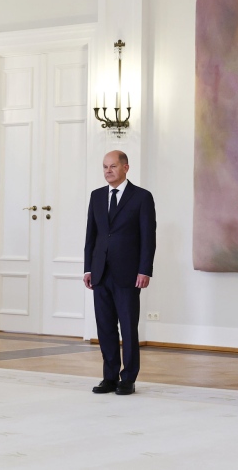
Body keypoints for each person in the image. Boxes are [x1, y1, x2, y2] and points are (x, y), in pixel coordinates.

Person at [84, 150, 156, 396]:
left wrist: (144, 270)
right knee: (105, 328)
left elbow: (149, 238)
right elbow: (91, 236)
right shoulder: (96, 196)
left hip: (128, 273)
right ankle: (109, 377)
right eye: (105, 167)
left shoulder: (142, 197)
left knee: (127, 327)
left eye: (112, 166)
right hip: (100, 273)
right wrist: (88, 268)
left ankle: (129, 378)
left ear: (126, 167)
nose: (107, 171)